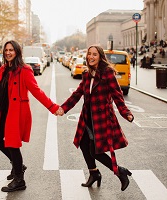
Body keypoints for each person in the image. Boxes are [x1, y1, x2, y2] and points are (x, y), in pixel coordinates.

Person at [0, 40, 62, 192]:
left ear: (17, 52)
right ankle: (18, 165)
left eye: (11, 50)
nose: (8, 53)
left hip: (15, 113)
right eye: (6, 50)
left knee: (13, 145)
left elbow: (36, 91)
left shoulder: (24, 70)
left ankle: (19, 179)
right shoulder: (3, 69)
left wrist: (53, 107)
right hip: (2, 111)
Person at [58, 45, 134, 191]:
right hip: (87, 117)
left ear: (100, 57)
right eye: (89, 54)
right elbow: (77, 94)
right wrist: (63, 108)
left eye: (94, 54)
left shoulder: (108, 73)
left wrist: (126, 113)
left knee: (95, 151)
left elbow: (118, 96)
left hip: (102, 119)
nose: (90, 57)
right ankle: (94, 173)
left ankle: (120, 171)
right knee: (83, 143)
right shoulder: (87, 74)